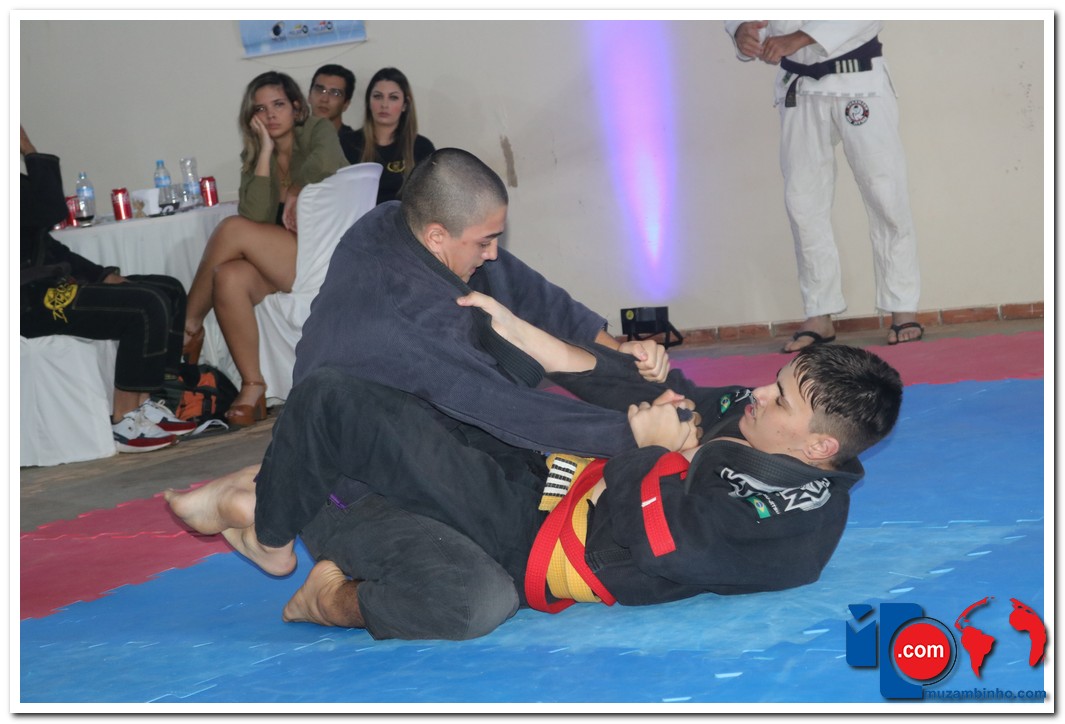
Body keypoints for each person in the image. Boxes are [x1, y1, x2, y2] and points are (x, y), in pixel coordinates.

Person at [166, 292, 903, 640]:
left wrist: (650, 451)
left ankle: (284, 528)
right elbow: (662, 398)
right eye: (776, 381)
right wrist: (537, 338)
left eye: (780, 399)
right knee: (468, 381)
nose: (760, 393)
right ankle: (271, 496)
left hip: (533, 535)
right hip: (557, 480)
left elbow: (655, 543)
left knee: (342, 405)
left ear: (818, 448)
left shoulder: (783, 521)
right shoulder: (760, 423)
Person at [294, 147, 670, 459]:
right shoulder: (412, 317)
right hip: (354, 457)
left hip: (387, 407)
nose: (492, 253)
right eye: (485, 242)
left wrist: (619, 357)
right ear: (437, 236)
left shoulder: (394, 218)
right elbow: (505, 408)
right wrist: (631, 434)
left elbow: (537, 297)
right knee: (524, 479)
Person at [724, 21, 923, 351]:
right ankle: (819, 313)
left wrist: (801, 38)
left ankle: (902, 306)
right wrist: (741, 28)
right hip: (799, 86)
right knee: (803, 202)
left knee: (886, 196)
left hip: (859, 79)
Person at [181, 71, 347, 426]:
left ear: (296, 107)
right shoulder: (258, 150)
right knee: (228, 276)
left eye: (279, 105)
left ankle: (188, 326)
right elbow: (255, 214)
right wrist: (265, 153)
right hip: (287, 258)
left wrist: (296, 189)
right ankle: (253, 387)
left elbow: (326, 160)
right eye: (261, 109)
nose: (270, 114)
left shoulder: (317, 130)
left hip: (324, 256)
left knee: (230, 229)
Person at [20, 126, 195, 453]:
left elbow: (47, 247)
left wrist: (102, 276)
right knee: (144, 305)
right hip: (25, 302)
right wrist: (29, 149)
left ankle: (149, 404)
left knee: (167, 289)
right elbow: (50, 210)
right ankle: (124, 420)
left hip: (43, 287)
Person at [345, 67, 436, 204]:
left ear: (405, 105)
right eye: (378, 96)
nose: (384, 104)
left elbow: (432, 200)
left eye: (393, 97)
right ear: (368, 102)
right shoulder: (347, 143)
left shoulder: (421, 147)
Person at [307, 64, 360, 161]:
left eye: (335, 93)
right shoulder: (293, 140)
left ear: (346, 104)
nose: (324, 99)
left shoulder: (357, 146)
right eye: (319, 90)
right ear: (309, 96)